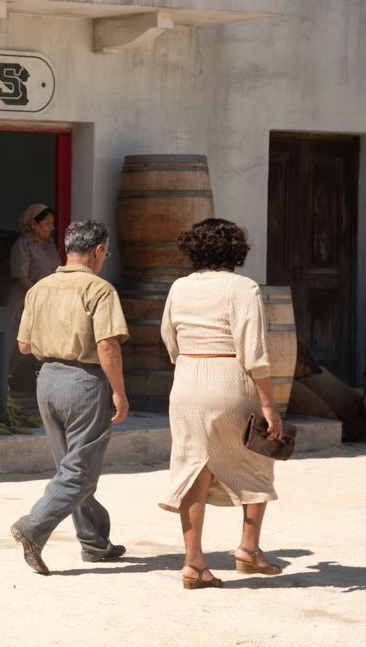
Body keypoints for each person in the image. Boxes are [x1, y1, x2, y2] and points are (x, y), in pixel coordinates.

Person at [158, 218, 284, 590]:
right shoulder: (243, 287)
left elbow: (169, 338)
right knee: (258, 455)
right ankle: (248, 549)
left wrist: (191, 363)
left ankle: (193, 563)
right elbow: (255, 351)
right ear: (236, 251)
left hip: (186, 381)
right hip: (229, 378)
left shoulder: (179, 287)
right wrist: (269, 405)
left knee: (195, 466)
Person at [10, 219, 130, 575]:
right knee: (81, 471)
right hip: (84, 382)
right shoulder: (100, 289)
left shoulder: (40, 289)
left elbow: (24, 345)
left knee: (71, 468)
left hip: (46, 380)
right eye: (105, 251)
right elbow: (107, 344)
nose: (105, 257)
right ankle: (33, 526)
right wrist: (120, 393)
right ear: (97, 250)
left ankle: (94, 543)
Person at [7, 204, 61, 378]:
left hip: (48, 302)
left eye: (52, 223)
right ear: (33, 224)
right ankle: (4, 383)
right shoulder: (23, 244)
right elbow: (20, 276)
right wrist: (38, 294)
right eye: (47, 223)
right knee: (17, 342)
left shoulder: (50, 244)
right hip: (26, 300)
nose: (52, 228)